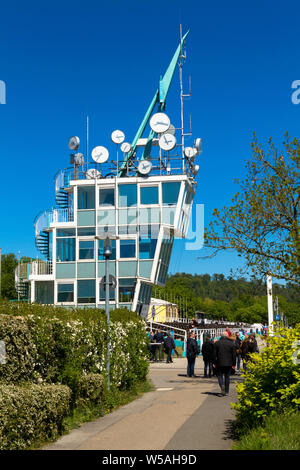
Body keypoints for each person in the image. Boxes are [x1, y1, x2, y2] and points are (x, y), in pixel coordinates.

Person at [213, 331, 236, 396]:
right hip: (229, 363)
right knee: (227, 377)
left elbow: (214, 354)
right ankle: (226, 391)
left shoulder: (217, 343)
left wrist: (214, 362)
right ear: (227, 336)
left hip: (219, 362)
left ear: (221, 336)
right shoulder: (231, 344)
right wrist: (234, 364)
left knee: (219, 376)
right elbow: (234, 355)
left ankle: (222, 385)